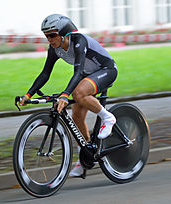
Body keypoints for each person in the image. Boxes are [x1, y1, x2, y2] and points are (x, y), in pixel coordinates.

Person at [20, 14, 118, 177]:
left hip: (106, 70)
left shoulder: (79, 41)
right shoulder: (54, 49)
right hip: (89, 74)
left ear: (64, 33)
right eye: (46, 36)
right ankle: (86, 155)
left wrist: (65, 95)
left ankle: (107, 118)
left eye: (52, 35)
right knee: (77, 116)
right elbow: (45, 73)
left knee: (77, 93)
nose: (49, 39)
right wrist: (28, 94)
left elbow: (78, 71)